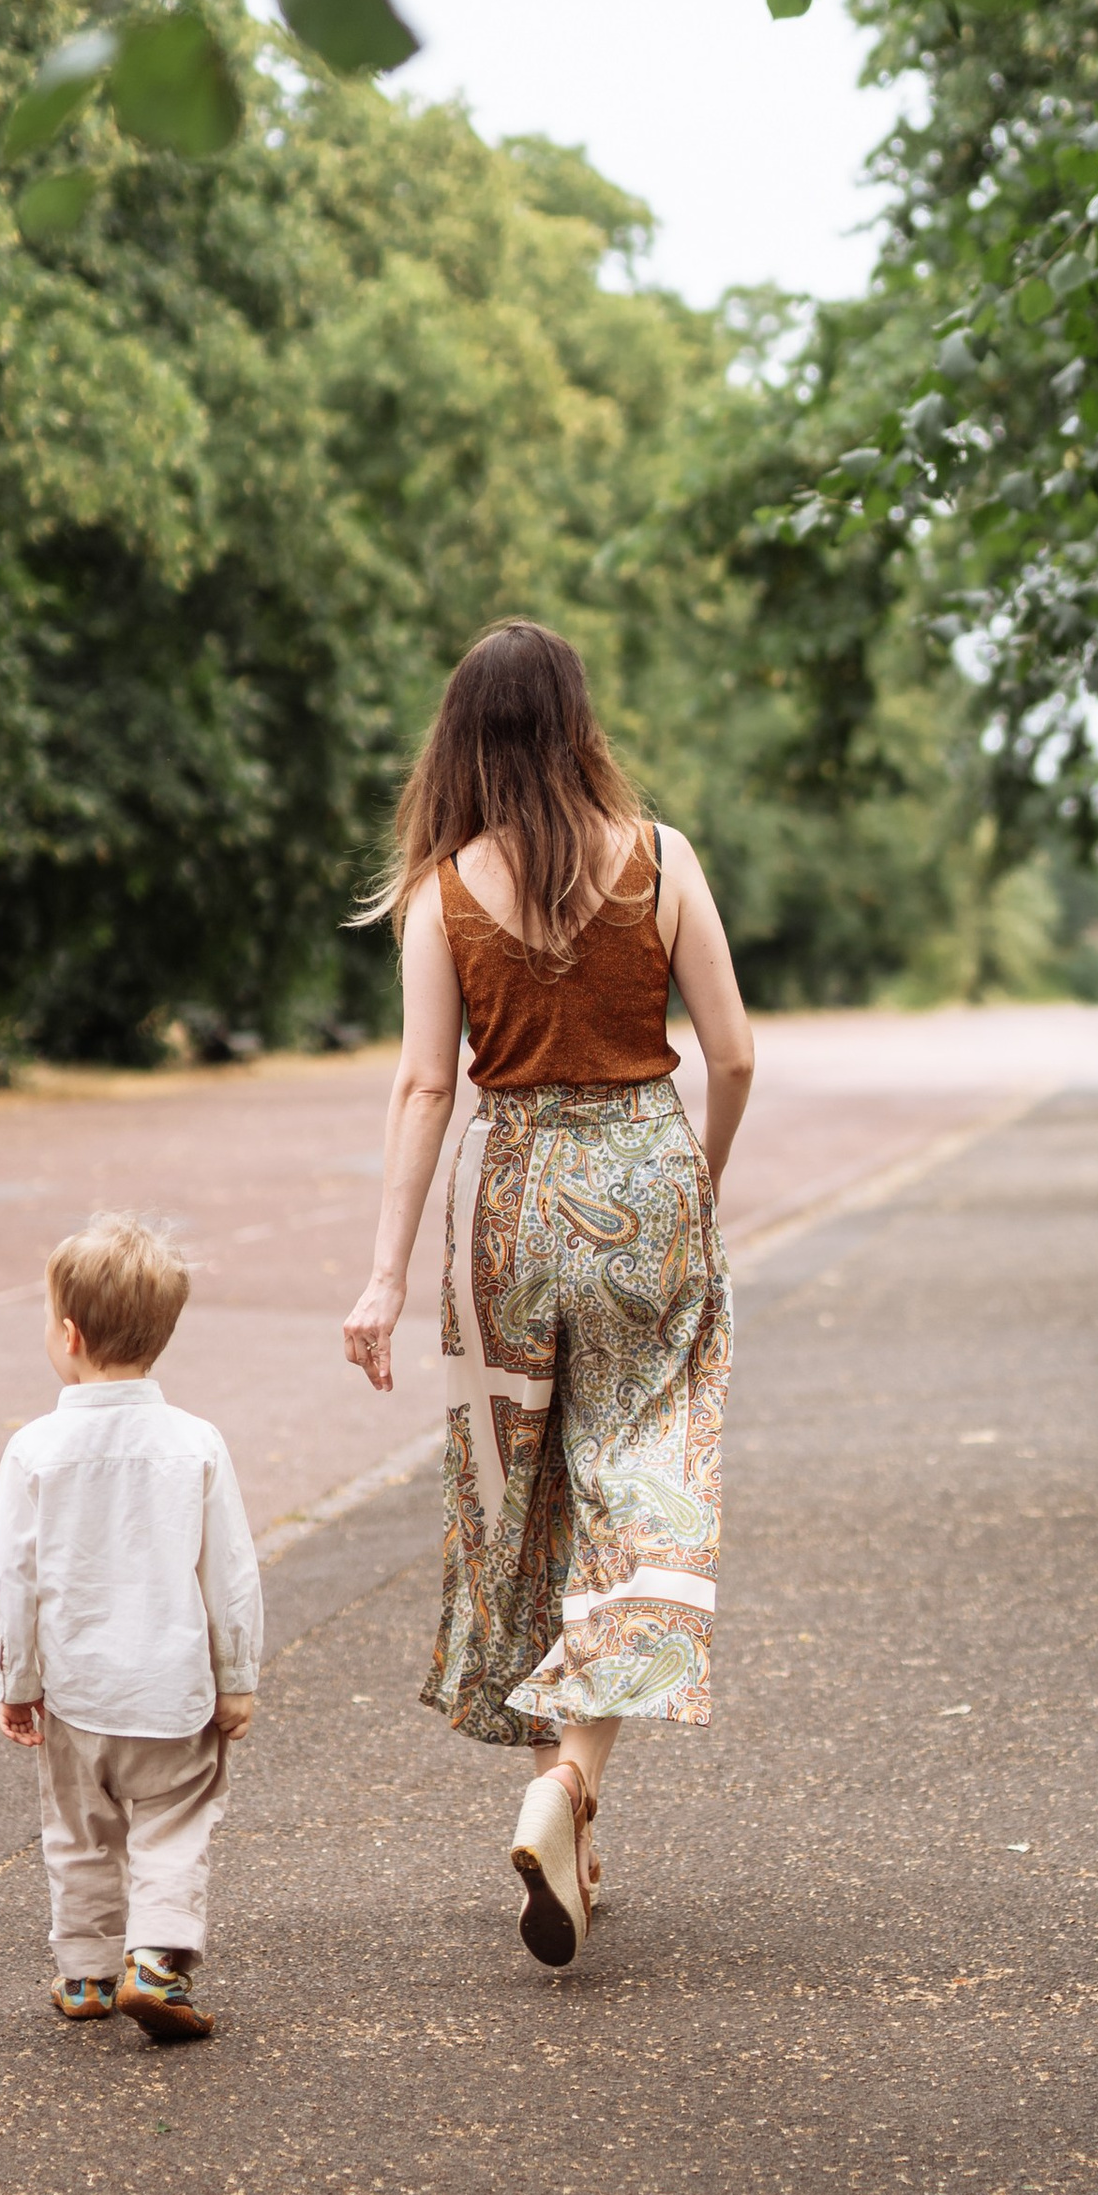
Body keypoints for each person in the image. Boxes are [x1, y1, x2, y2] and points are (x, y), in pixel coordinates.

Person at [342, 621, 754, 1969]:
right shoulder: (664, 860)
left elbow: (421, 1087)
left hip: (505, 1197)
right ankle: (569, 1785)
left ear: (458, 737)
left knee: (526, 1498)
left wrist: (387, 1272)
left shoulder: (439, 893)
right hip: (649, 1178)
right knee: (643, 1493)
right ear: (579, 722)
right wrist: (691, 1184)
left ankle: (571, 1812)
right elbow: (734, 1055)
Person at [0, 1211, 263, 2046]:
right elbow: (231, 1572)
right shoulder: (196, 1444)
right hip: (174, 1692)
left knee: (78, 1834)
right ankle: (159, 1963)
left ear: (67, 1334)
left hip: (78, 1694)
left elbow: (14, 1580)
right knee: (175, 1826)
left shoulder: (35, 1449)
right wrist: (239, 1676)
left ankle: (84, 1974)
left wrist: (16, 1683)